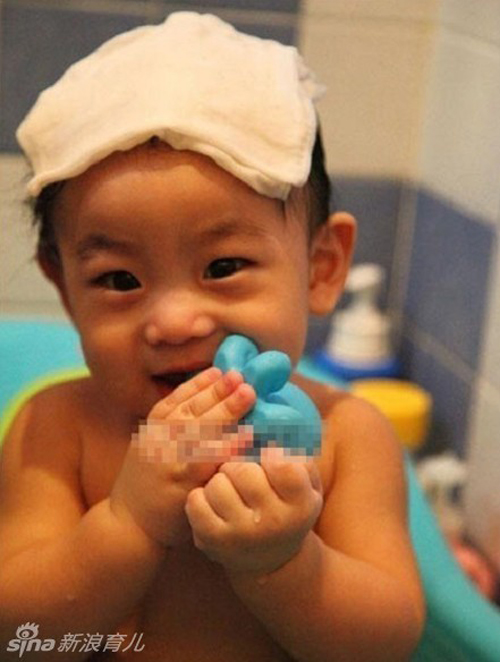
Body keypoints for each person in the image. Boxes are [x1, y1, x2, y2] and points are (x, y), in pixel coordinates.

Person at [0, 12, 424, 662]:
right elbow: (19, 637)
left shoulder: (347, 436)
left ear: (321, 267)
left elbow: (388, 644)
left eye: (223, 267)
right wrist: (127, 522)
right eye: (119, 279)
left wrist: (285, 564)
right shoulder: (56, 428)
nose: (175, 323)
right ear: (64, 288)